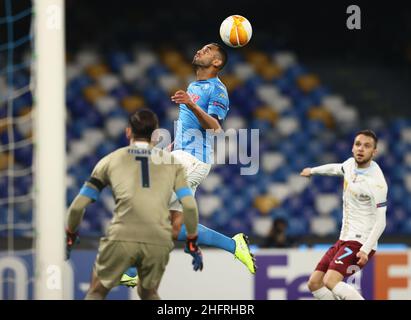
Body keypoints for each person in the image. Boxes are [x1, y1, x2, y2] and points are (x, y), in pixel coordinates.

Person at [120, 43, 256, 287]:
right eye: (201, 48)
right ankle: (235, 245)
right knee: (175, 229)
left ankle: (132, 269)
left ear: (217, 62)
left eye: (207, 50)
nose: (200, 51)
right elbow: (189, 129)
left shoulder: (218, 90)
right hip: (184, 155)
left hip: (193, 160)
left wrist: (191, 105)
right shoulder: (194, 86)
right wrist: (169, 148)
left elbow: (215, 127)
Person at [65, 109, 203, 300]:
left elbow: (78, 207)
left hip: (123, 235)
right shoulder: (173, 163)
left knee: (97, 291)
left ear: (128, 131)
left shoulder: (111, 160)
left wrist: (70, 235)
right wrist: (192, 241)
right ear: (155, 135)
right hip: (159, 238)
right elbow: (189, 206)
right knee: (149, 293)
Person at [300, 129, 388, 300]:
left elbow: (381, 221)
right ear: (352, 147)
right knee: (315, 283)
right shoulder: (349, 165)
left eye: (367, 146)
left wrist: (365, 249)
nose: (361, 149)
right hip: (344, 238)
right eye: (358, 144)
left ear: (374, 152)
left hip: (360, 242)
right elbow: (335, 169)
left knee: (330, 280)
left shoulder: (376, 183)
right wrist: (312, 170)